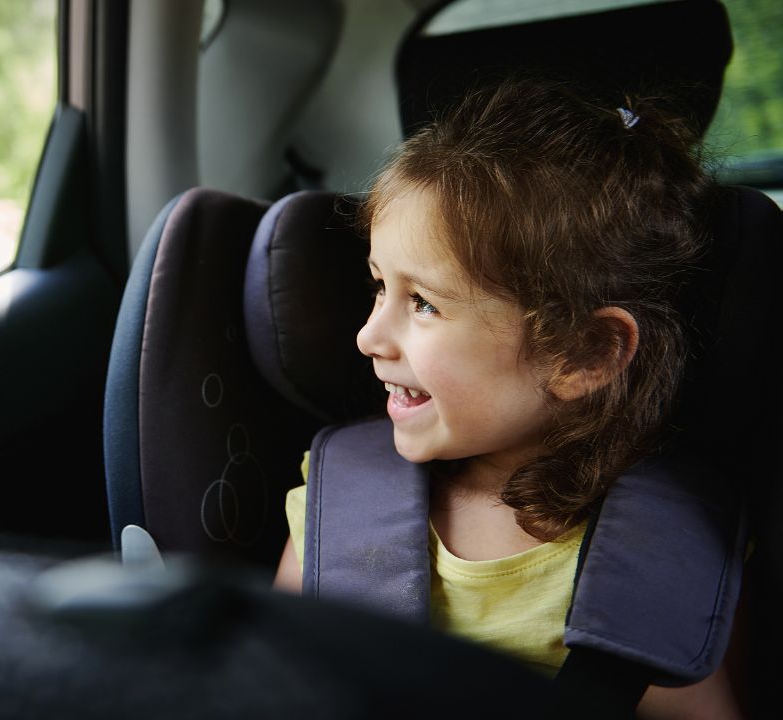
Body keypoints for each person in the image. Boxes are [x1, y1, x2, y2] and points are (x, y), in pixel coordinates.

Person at [273, 78, 743, 718]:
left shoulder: (666, 563)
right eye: (378, 285)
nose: (367, 336)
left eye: (424, 303)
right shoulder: (335, 510)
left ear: (582, 353)